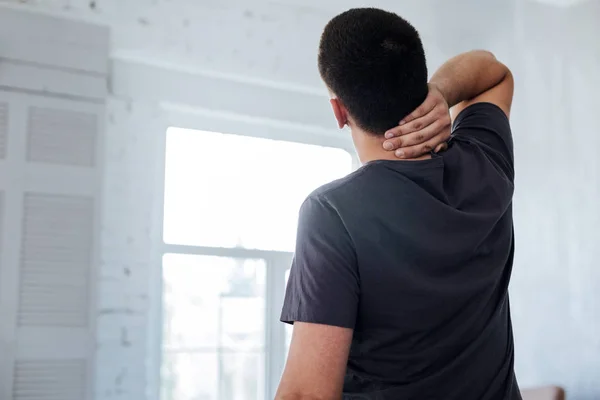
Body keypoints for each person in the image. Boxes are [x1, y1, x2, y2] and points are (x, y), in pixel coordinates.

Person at [276, 7, 519, 400]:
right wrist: (441, 91)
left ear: (339, 111)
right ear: (417, 85)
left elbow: (307, 394)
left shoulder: (332, 213)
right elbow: (492, 71)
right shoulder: (484, 165)